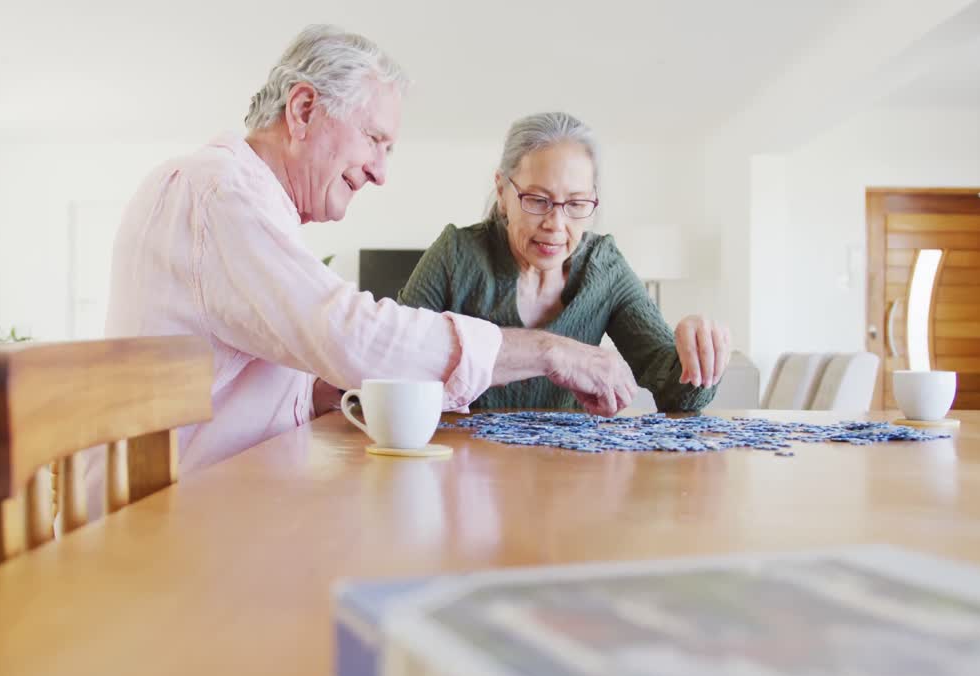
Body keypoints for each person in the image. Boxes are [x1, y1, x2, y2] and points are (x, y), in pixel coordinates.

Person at [103, 27, 637, 474]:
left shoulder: (242, 200)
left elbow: (238, 384)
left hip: (217, 505)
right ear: (304, 109)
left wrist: (324, 393)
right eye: (375, 140)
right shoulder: (217, 192)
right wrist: (550, 351)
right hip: (171, 527)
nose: (381, 172)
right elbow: (351, 334)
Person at [398, 111, 731, 412]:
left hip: (568, 472)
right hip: (463, 468)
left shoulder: (605, 268)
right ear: (502, 192)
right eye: (538, 200)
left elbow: (675, 392)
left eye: (576, 204)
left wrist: (698, 358)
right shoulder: (456, 254)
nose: (556, 225)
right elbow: (395, 360)